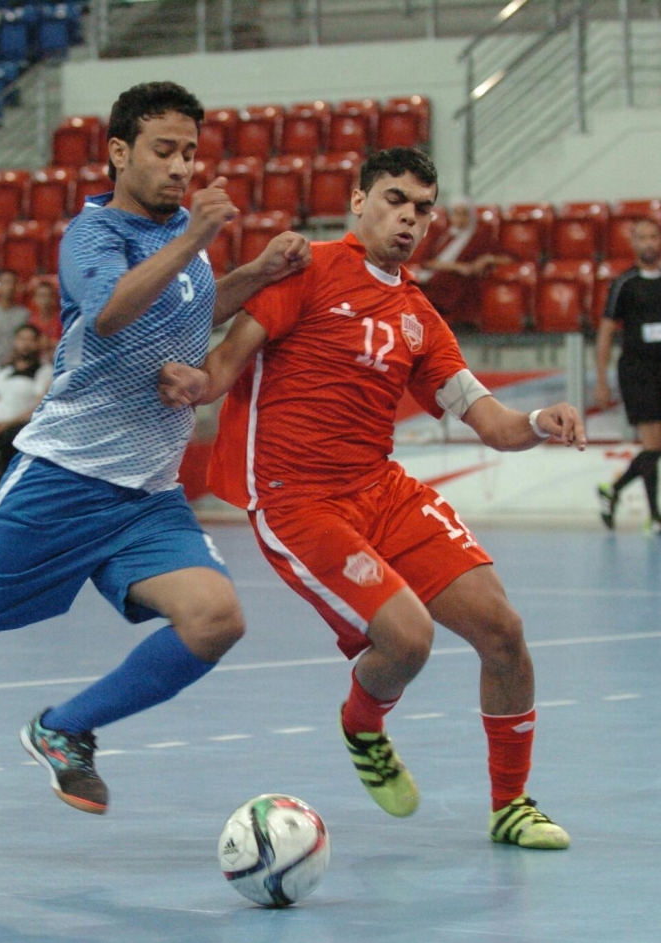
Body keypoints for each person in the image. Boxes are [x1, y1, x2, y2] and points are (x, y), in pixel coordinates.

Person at [0, 80, 310, 862]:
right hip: (63, 479)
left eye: (191, 152)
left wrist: (260, 272)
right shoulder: (94, 233)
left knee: (217, 618)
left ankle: (65, 726)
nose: (182, 167)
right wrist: (199, 241)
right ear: (119, 152)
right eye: (164, 150)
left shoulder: (183, 235)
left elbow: (192, 304)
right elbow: (113, 309)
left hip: (146, 495)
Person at [158, 147, 585, 850]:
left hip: (379, 488)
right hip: (298, 498)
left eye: (422, 207)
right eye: (393, 199)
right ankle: (363, 722)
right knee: (407, 638)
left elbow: (495, 424)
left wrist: (541, 422)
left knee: (503, 632)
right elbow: (222, 368)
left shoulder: (420, 317)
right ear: (357, 201)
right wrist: (184, 382)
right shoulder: (306, 271)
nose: (409, 217)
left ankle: (511, 805)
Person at [594, 218, 661, 535]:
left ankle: (614, 489)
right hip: (638, 371)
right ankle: (655, 516)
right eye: (642, 238)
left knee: (655, 447)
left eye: (653, 237)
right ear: (633, 244)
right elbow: (606, 331)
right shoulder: (625, 284)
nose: (648, 243)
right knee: (653, 443)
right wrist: (602, 379)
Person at [416, 196, 512, 326]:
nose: (460, 218)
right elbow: (426, 262)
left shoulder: (479, 237)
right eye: (456, 213)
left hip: (460, 282)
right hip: (437, 276)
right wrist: (456, 267)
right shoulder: (444, 236)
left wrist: (487, 259)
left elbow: (509, 258)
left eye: (464, 214)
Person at [0, 323, 53, 479]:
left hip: (21, 428)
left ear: (38, 343)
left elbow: (37, 407)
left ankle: (4, 480)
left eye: (31, 340)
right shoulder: (1, 370)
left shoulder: (45, 371)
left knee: (11, 436)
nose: (25, 344)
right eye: (22, 339)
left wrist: (3, 427)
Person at [0, 268, 30, 372]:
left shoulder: (24, 314)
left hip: (15, 367)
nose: (9, 287)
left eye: (13, 283)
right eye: (5, 282)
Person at [28, 278, 62, 359]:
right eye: (41, 296)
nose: (45, 300)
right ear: (34, 299)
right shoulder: (31, 321)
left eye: (48, 296)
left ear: (54, 299)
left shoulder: (62, 320)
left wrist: (50, 343)